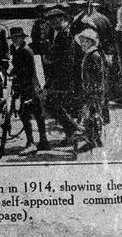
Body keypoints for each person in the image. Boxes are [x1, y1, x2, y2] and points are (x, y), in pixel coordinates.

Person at [42, 8, 82, 143]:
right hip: (62, 76)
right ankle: (71, 131)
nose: (52, 23)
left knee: (54, 105)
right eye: (50, 21)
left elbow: (61, 58)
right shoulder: (62, 33)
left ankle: (74, 129)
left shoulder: (64, 35)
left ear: (63, 19)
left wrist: (50, 58)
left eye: (55, 20)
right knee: (58, 106)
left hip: (63, 77)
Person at [8, 27, 50, 155]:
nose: (15, 40)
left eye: (17, 37)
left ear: (22, 38)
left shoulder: (25, 51)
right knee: (38, 114)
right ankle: (43, 141)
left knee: (25, 114)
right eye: (13, 38)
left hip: (29, 87)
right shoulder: (20, 50)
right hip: (31, 86)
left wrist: (15, 75)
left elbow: (27, 71)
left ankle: (31, 143)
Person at [75, 28, 107, 149]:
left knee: (92, 115)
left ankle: (93, 139)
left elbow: (96, 76)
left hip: (93, 91)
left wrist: (91, 91)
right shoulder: (90, 55)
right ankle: (95, 138)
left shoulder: (93, 56)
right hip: (93, 90)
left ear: (91, 42)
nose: (82, 44)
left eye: (85, 42)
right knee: (92, 115)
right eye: (82, 41)